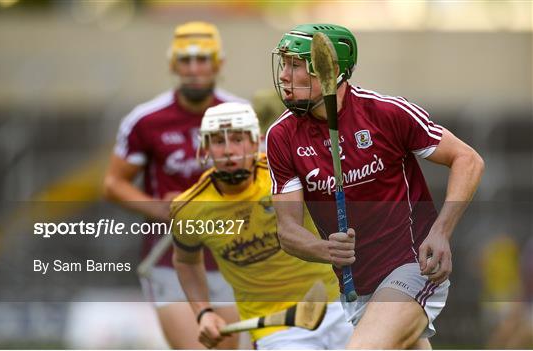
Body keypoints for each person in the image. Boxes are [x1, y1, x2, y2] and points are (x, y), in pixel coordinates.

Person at [266, 24, 485, 349]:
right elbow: (287, 230)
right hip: (357, 290)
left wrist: (441, 232)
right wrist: (323, 249)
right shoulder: (281, 137)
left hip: (412, 267)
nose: (284, 75)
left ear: (331, 70)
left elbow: (468, 160)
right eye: (283, 63)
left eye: (295, 64)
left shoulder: (386, 113)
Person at [103, 21, 245, 349]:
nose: (194, 69)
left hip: (232, 257)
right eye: (185, 60)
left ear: (219, 64)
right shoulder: (146, 119)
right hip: (170, 259)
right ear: (173, 65)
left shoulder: (239, 114)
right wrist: (160, 208)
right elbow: (113, 184)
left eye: (203, 59)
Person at [171, 102, 352, 349]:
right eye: (218, 141)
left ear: (256, 141)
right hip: (274, 326)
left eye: (237, 139)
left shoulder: (288, 172)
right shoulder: (188, 209)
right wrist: (203, 312)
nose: (228, 151)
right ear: (204, 148)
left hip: (338, 303)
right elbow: (185, 262)